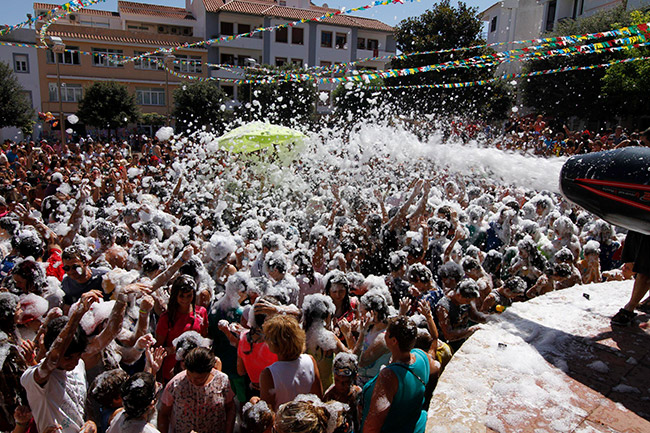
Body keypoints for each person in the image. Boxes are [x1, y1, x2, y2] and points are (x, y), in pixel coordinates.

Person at [20, 290, 101, 433]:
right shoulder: (35, 379)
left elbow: (82, 401)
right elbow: (53, 359)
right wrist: (76, 316)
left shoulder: (79, 366)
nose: (74, 362)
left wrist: (91, 421)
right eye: (68, 358)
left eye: (77, 356)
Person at [360, 316, 437, 433]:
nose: (384, 334)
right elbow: (437, 367)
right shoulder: (421, 355)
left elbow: (372, 426)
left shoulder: (389, 376)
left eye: (387, 332)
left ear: (394, 341)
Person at [158, 347, 235, 433]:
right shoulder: (175, 385)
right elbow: (163, 414)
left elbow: (230, 408)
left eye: (199, 378)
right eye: (189, 376)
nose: (193, 381)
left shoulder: (222, 381)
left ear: (210, 371)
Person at [259, 315, 323, 410]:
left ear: (273, 343)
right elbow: (318, 400)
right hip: (308, 420)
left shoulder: (269, 374)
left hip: (284, 423)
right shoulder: (310, 361)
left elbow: (268, 414)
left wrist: (255, 402)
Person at [156, 275, 208, 382]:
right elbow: (159, 348)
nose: (185, 300)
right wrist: (174, 349)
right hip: (172, 371)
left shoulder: (201, 313)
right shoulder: (166, 318)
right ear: (175, 296)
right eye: (181, 296)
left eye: (189, 295)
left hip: (195, 369)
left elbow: (204, 339)